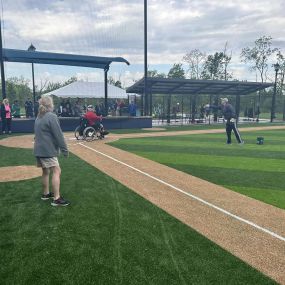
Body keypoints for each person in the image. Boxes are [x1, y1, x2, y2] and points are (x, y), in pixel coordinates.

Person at [34, 96, 70, 206]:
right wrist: (65, 150)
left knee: (46, 171)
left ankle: (45, 194)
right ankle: (56, 198)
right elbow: (59, 135)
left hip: (38, 150)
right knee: (57, 171)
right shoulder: (51, 116)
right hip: (47, 150)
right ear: (50, 105)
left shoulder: (38, 116)